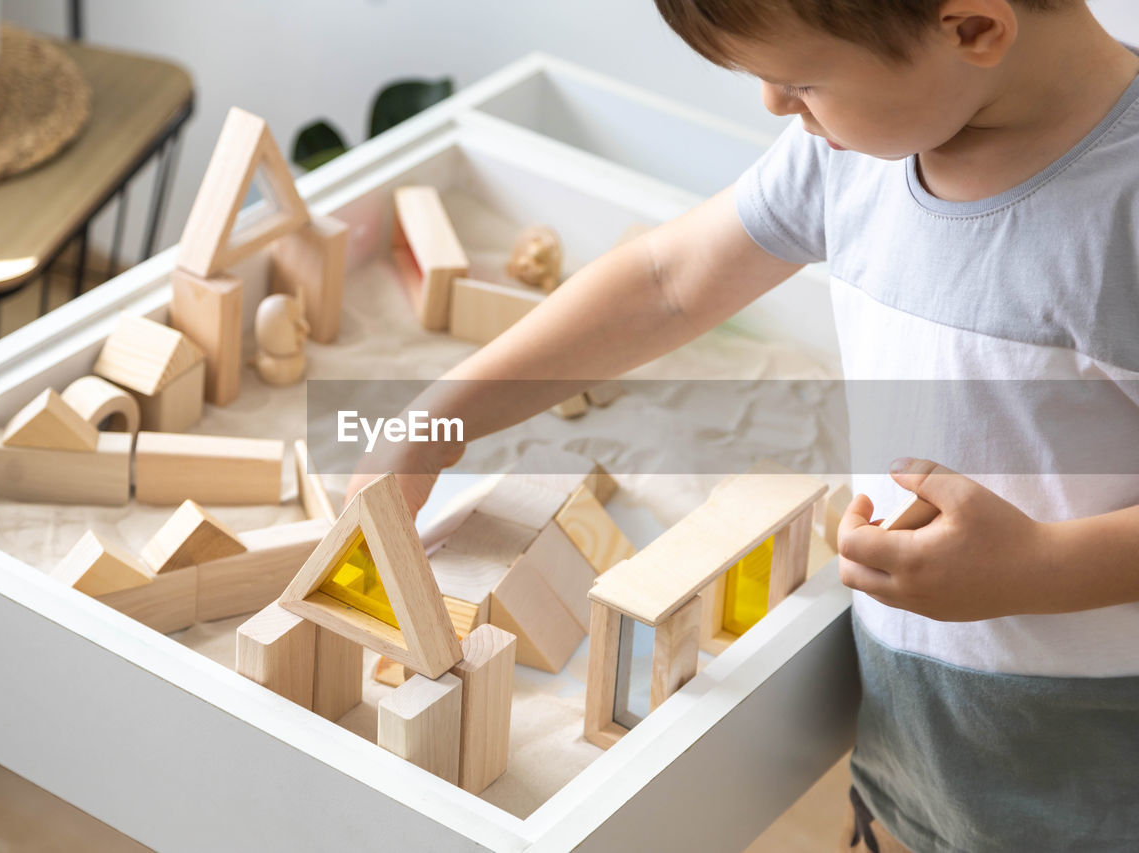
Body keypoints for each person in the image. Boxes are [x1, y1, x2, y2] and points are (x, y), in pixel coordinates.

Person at [348, 2, 1139, 849]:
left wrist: (1040, 569)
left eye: (800, 83)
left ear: (972, 29)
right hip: (915, 764)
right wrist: (445, 413)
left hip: (1091, 774)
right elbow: (666, 279)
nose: (772, 106)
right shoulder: (855, 156)